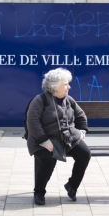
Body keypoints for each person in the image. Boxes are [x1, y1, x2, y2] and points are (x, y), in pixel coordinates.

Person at [26, 68, 91, 205]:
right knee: (48, 160)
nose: (69, 86)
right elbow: (32, 122)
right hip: (44, 140)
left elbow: (80, 116)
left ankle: (72, 185)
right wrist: (44, 141)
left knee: (85, 154)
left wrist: (82, 131)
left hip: (67, 139)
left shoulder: (69, 100)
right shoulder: (40, 100)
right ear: (54, 87)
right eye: (66, 84)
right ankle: (39, 191)